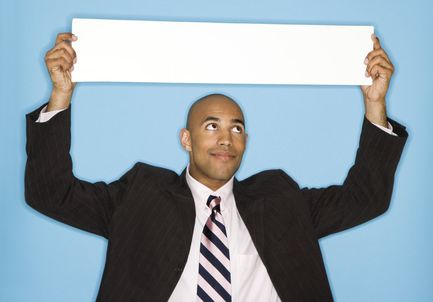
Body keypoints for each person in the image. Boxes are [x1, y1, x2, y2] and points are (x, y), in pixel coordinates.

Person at [25, 32, 408, 302]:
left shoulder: (280, 198)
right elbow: (50, 194)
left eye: (236, 128)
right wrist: (60, 97)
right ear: (186, 140)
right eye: (211, 126)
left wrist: (375, 106)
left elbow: (366, 199)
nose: (226, 139)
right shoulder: (140, 194)